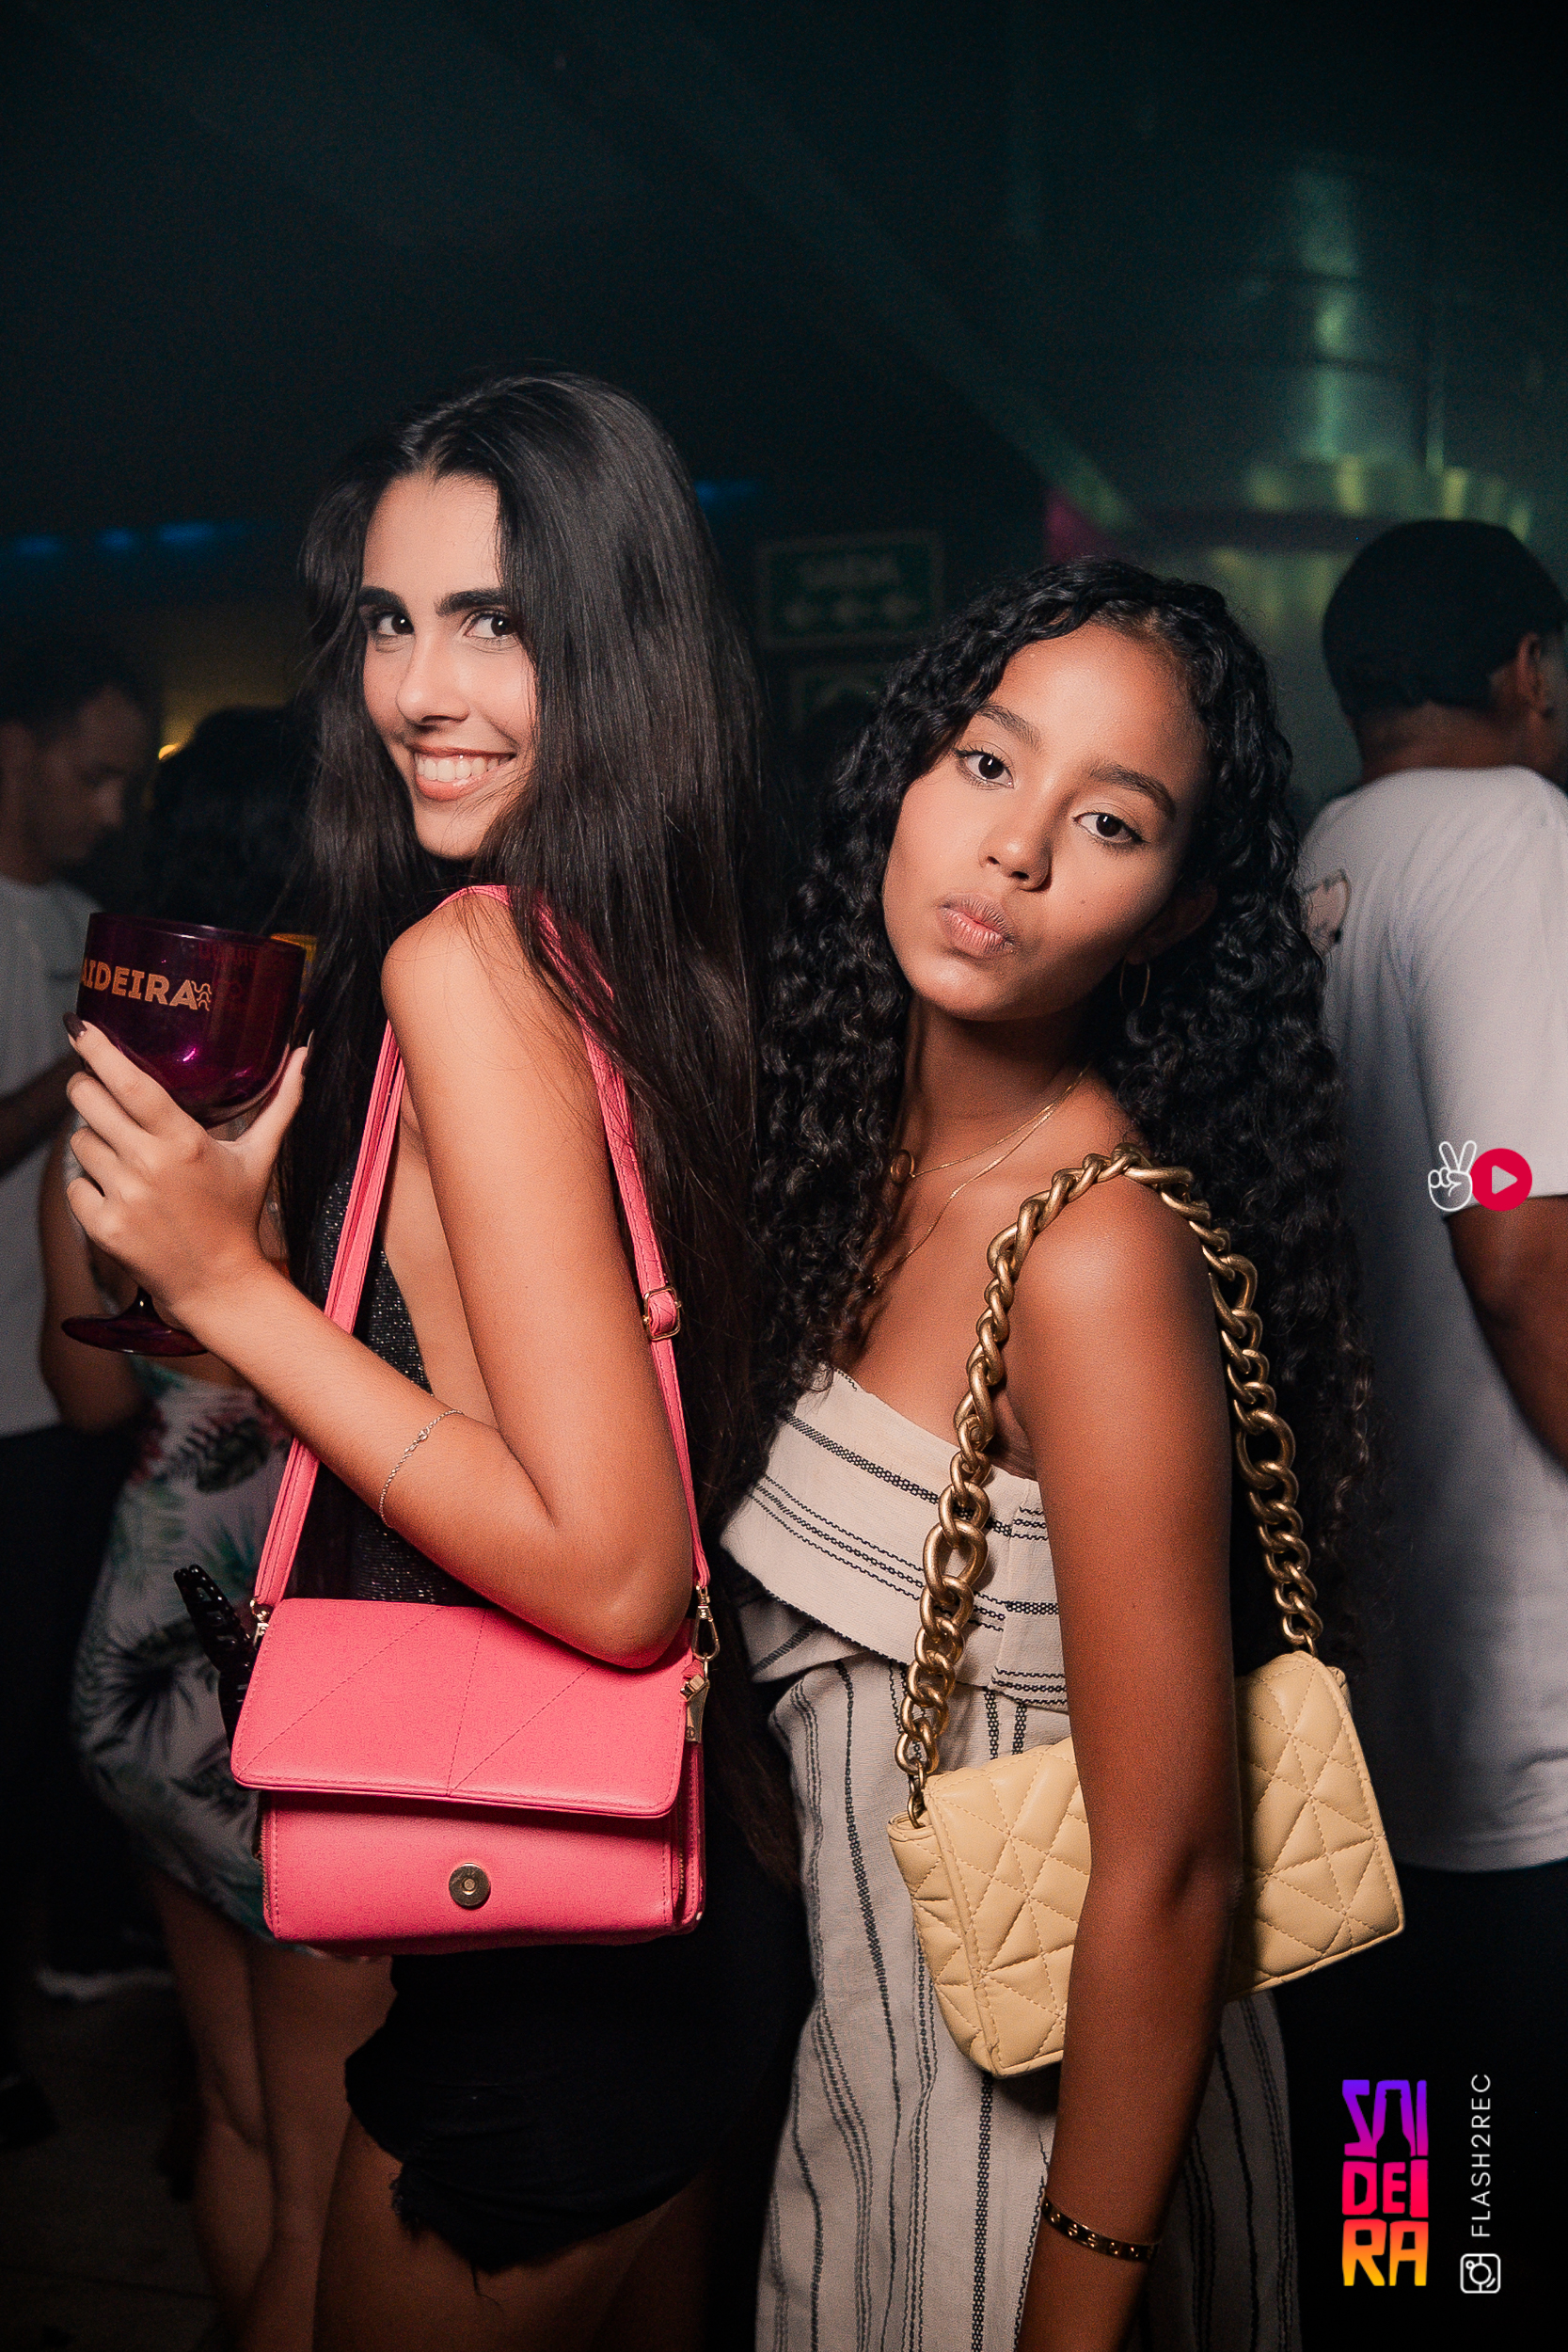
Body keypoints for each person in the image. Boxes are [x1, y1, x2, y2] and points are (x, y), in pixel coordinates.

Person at [58, 373, 808, 2352]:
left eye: (494, 620)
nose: (417, 688)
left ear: (618, 642)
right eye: (387, 622)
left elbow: (615, 1570)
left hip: (560, 1959)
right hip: (696, 1886)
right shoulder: (666, 942)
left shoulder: (471, 963)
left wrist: (226, 1286)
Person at [725, 559, 1374, 2350]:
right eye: (990, 763)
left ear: (1174, 915)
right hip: (869, 2082)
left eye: (1110, 821)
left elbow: (1174, 1868)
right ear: (908, 773)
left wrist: (1073, 2313)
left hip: (1054, 2157)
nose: (1013, 849)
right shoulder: (843, 1150)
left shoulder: (1095, 1257)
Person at [36, 702, 395, 2349]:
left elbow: (85, 1396)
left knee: (239, 2117)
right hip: (294, 1673)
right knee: (330, 2181)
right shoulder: (342, 1113)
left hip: (143, 1660)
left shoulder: (110, 1113)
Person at [1288, 518, 1568, 2308]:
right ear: (1526, 669)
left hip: (1361, 1682)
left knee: (1391, 2179)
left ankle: (1404, 2302)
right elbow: (1510, 1235)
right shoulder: (1515, 833)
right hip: (1523, 1677)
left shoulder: (1319, 859)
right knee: (1510, 2203)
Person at [0, 638, 154, 2149]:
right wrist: (93, 1063)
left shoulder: (78, 922)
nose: (114, 809)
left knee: (58, 1708)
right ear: (12, 749)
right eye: (92, 773)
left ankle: (75, 1941)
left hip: (70, 1388)